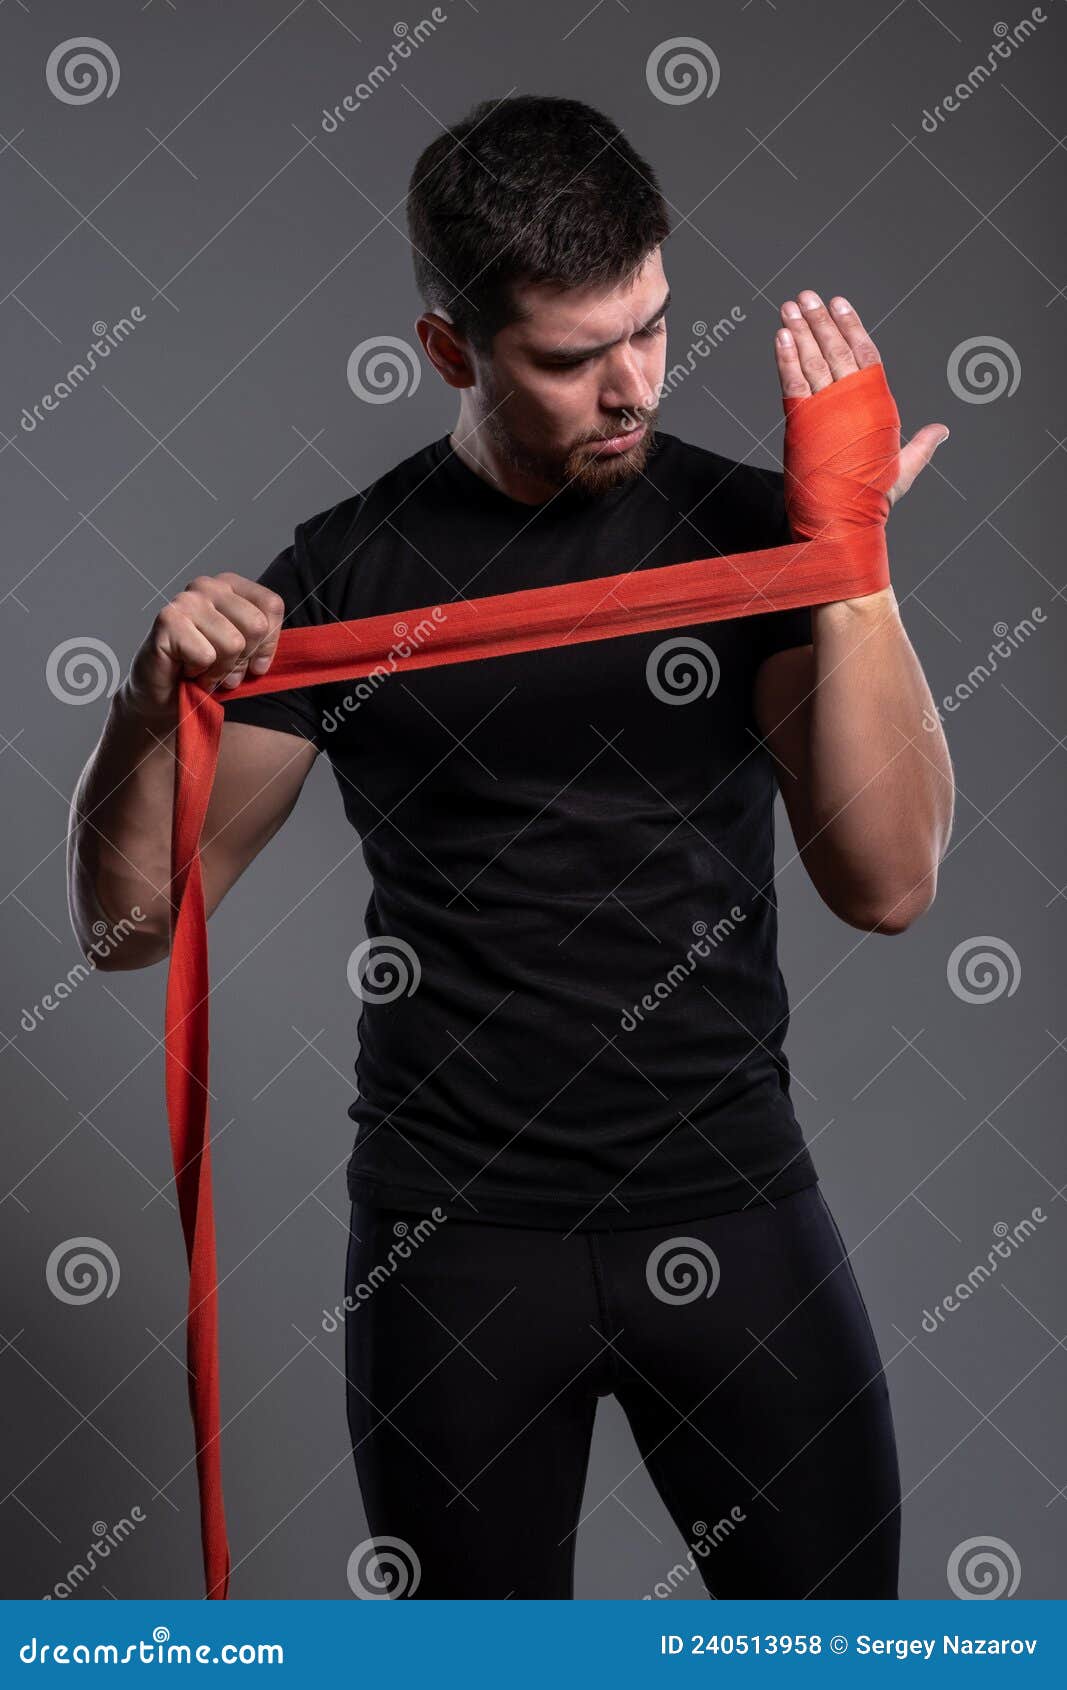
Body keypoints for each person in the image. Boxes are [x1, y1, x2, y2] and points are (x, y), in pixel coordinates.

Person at [67, 94, 955, 1598]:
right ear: (451, 350)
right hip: (454, 1248)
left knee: (840, 1659)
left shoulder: (755, 534)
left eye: (655, 329)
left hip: (731, 1205)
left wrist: (849, 565)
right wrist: (146, 709)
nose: (633, 387)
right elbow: (128, 926)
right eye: (571, 356)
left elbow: (890, 883)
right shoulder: (346, 579)